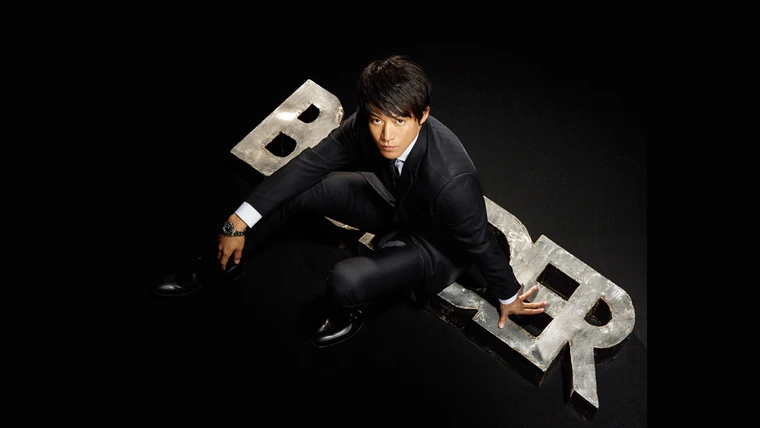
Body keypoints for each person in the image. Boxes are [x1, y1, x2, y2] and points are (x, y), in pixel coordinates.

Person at [153, 54, 548, 348]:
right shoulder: (364, 124)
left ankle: (351, 311)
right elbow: (309, 164)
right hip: (391, 203)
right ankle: (221, 265)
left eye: (400, 121)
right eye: (377, 119)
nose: (387, 136)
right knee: (301, 190)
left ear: (422, 115)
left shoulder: (453, 179)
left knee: (344, 283)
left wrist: (508, 296)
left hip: (431, 241)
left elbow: (479, 242)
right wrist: (237, 222)